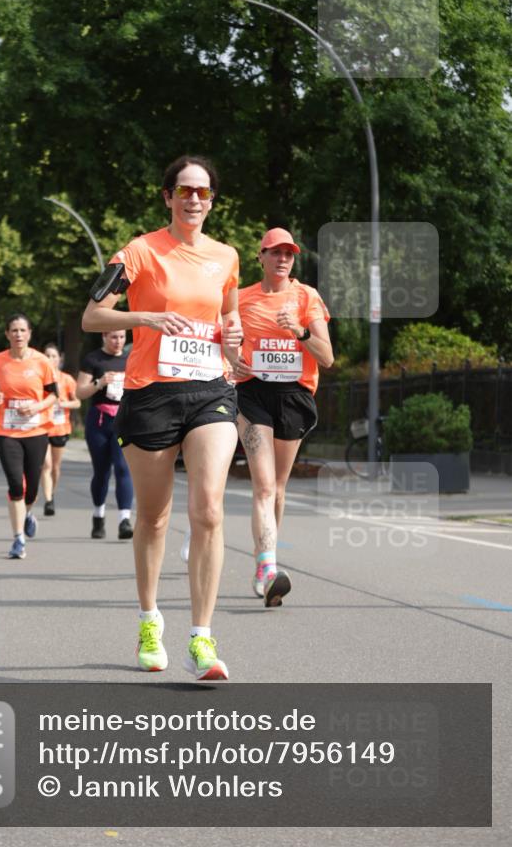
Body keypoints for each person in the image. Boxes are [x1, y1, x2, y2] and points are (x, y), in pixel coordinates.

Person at [82, 154, 243, 681]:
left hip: (210, 390)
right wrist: (147, 316)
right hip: (151, 393)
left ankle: (202, 637)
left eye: (203, 191)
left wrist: (235, 336)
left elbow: (229, 313)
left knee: (210, 511)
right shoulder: (139, 251)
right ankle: (150, 620)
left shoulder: (227, 256)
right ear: (167, 197)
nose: (194, 199)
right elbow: (92, 315)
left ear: (212, 200)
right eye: (184, 190)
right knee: (152, 518)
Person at [233, 228, 333, 607]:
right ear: (261, 256)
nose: (282, 259)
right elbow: (222, 339)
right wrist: (231, 359)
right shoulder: (242, 298)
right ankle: (267, 568)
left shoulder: (307, 296)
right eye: (275, 252)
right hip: (253, 393)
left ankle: (267, 559)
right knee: (263, 485)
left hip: (294, 395)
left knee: (277, 485)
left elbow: (326, 357)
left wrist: (300, 330)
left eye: (289, 254)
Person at [0, 314, 57, 559]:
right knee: (16, 484)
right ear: (7, 334)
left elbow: (53, 395)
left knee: (32, 487)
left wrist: (36, 407)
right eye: (13, 330)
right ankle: (18, 539)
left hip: (36, 430)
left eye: (22, 330)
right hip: (7, 431)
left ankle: (27, 513)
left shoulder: (41, 361)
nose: (18, 334)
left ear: (29, 333)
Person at [76, 331, 133, 540]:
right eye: (113, 337)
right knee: (101, 471)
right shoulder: (93, 359)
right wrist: (100, 383)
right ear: (104, 336)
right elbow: (79, 392)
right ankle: (98, 515)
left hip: (123, 421)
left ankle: (124, 520)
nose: (118, 341)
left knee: (122, 467)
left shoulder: (130, 359)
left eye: (121, 337)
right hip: (99, 420)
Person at [41, 342, 80, 517]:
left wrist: (63, 403)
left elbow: (77, 402)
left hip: (61, 427)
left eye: (53, 356)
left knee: (55, 467)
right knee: (46, 464)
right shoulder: (38, 378)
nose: (50, 359)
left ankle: (52, 493)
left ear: (60, 359)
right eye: (47, 356)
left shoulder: (67, 379)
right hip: (42, 427)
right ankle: (48, 500)